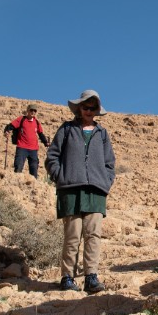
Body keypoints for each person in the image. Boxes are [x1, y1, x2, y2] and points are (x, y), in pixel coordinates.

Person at [44, 90, 116, 293]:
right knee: (72, 235)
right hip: (71, 190)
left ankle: (91, 276)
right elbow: (52, 156)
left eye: (93, 108)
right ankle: (67, 277)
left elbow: (110, 163)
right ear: (79, 108)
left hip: (96, 190)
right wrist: (60, 175)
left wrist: (106, 181)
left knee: (93, 234)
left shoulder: (102, 134)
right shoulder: (66, 129)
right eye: (86, 107)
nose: (89, 111)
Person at [3, 103, 49, 178]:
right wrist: (7, 131)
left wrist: (46, 142)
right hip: (22, 147)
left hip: (33, 149)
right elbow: (11, 125)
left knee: (34, 170)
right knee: (18, 167)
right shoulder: (21, 119)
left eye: (35, 111)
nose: (33, 112)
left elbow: (40, 133)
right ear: (28, 110)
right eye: (31, 110)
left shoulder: (36, 122)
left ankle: (34, 186)